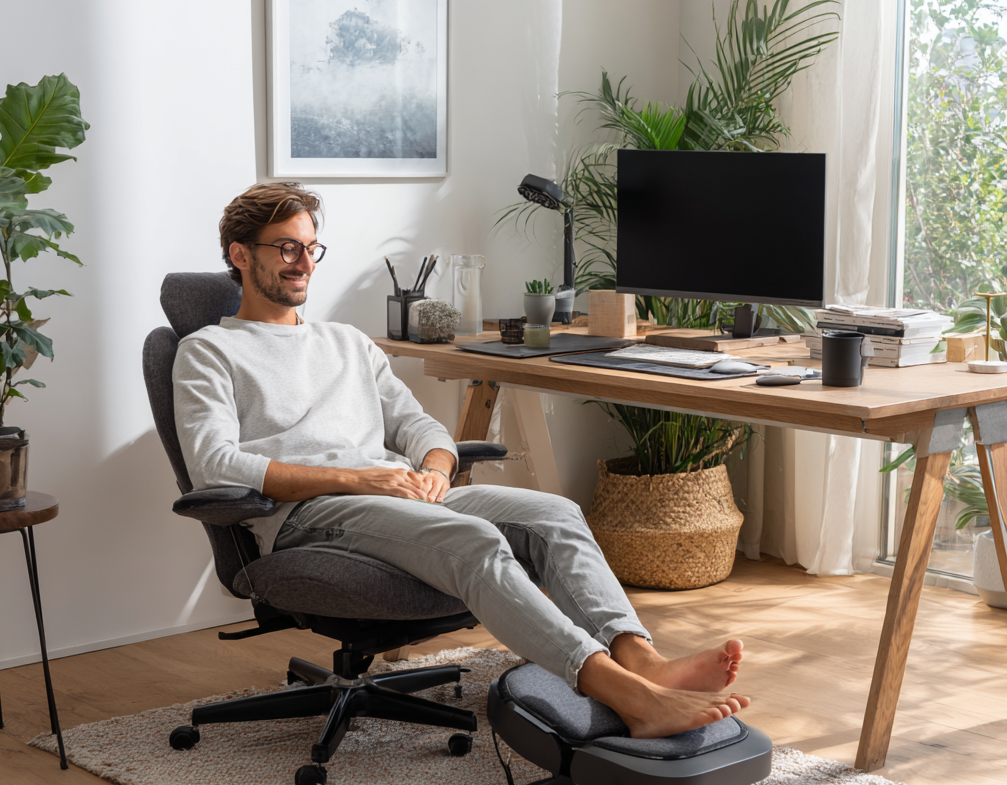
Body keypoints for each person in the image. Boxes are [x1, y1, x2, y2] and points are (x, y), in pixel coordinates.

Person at [173, 182, 750, 738]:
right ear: (241, 255)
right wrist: (358, 478)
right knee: (474, 540)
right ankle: (626, 695)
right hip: (310, 514)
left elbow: (419, 426)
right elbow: (214, 464)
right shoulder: (208, 351)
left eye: (310, 248)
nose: (303, 263)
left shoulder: (348, 342)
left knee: (555, 514)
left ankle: (642, 661)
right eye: (286, 248)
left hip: (399, 494)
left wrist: (434, 469)